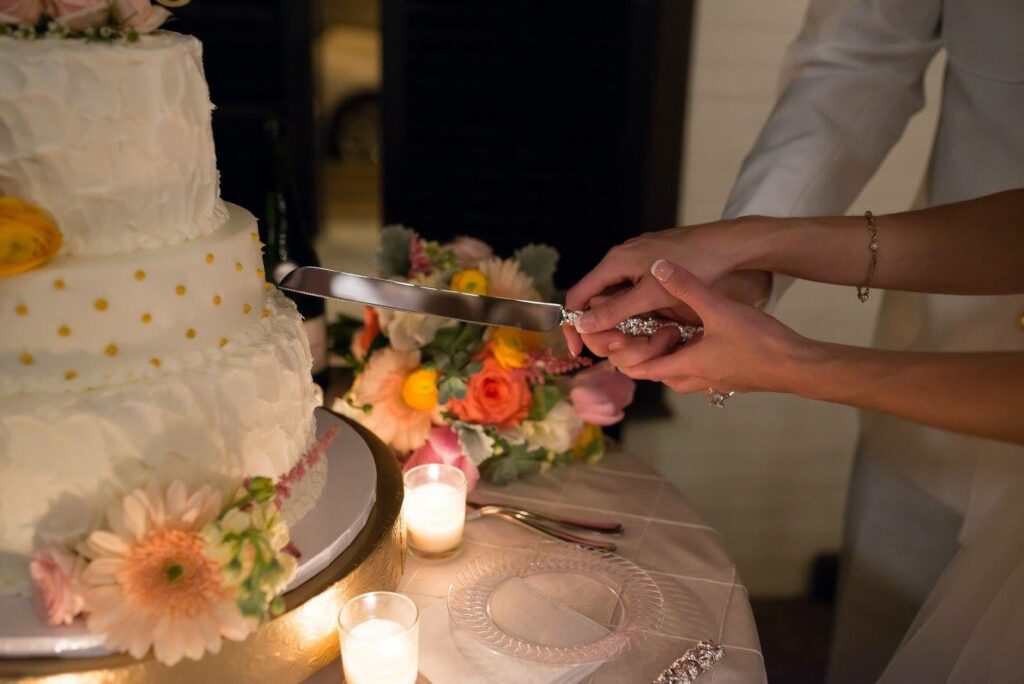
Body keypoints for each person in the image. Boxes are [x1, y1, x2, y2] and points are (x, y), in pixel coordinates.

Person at [570, 1, 1024, 680]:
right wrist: (753, 250)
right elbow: (858, 57)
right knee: (884, 628)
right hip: (941, 314)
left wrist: (796, 363)